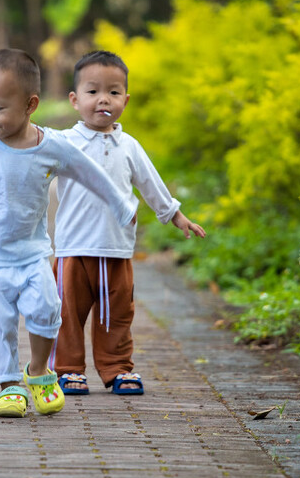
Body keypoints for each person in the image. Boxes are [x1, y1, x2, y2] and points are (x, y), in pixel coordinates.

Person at [0, 48, 135, 418]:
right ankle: (9, 387)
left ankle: (38, 371)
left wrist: (121, 206)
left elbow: (90, 173)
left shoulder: (51, 146)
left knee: (46, 309)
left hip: (31, 252)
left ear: (30, 104)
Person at [49, 50, 206, 396]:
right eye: (93, 91)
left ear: (126, 100)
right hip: (73, 247)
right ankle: (68, 369)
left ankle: (118, 368)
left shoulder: (129, 146)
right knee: (65, 314)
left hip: (116, 248)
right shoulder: (63, 143)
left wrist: (175, 216)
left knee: (117, 315)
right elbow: (33, 171)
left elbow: (151, 184)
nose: (103, 99)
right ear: (74, 100)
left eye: (113, 92)